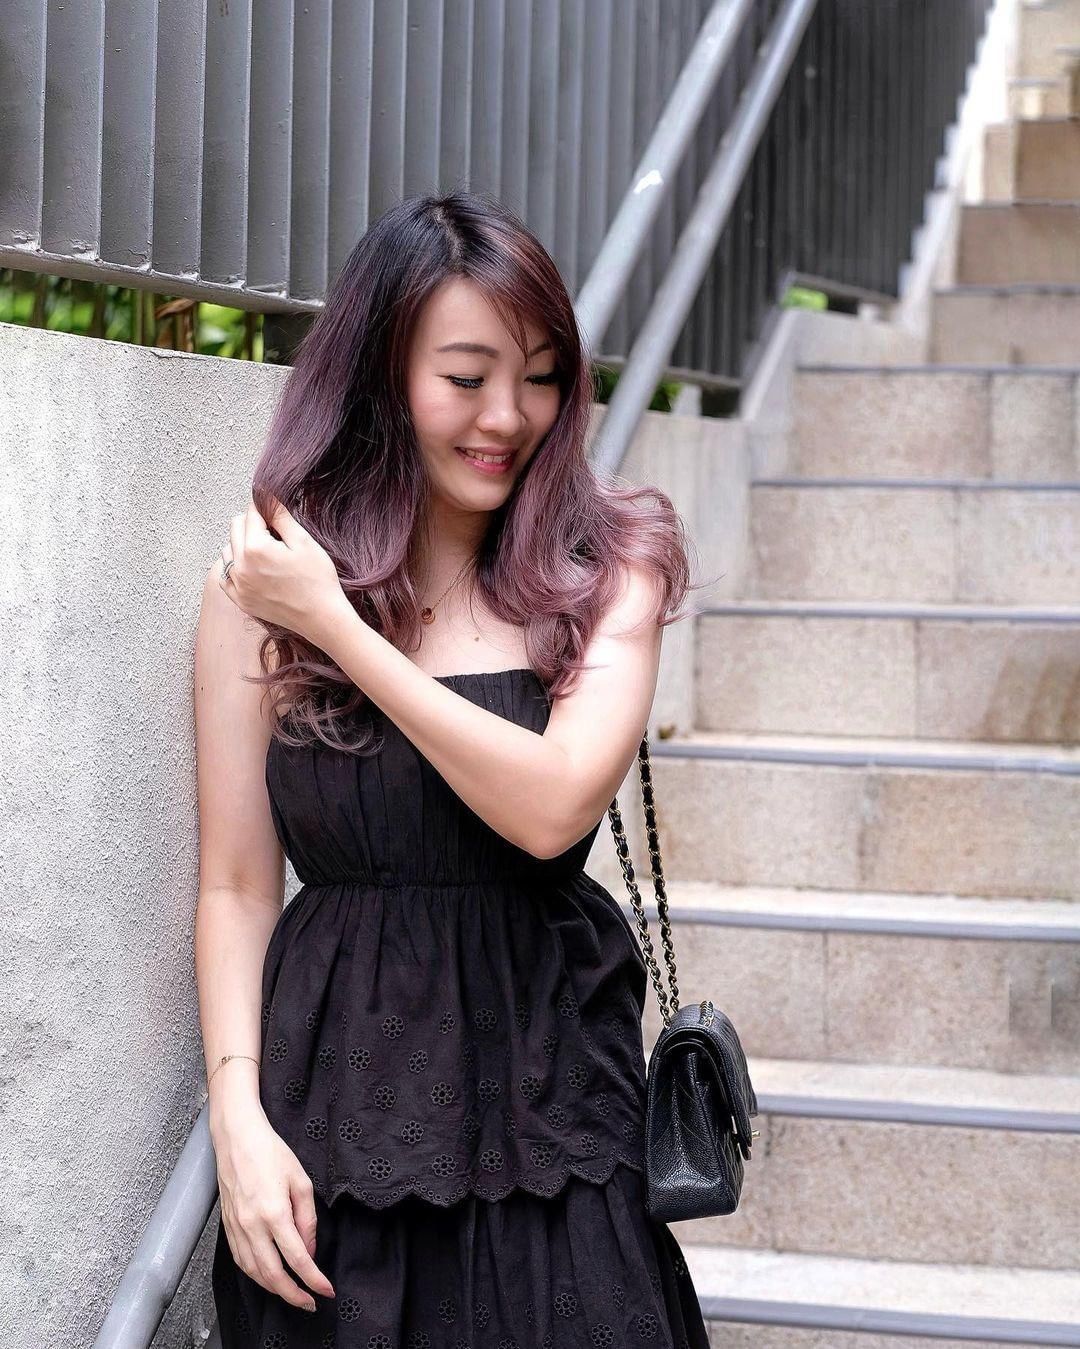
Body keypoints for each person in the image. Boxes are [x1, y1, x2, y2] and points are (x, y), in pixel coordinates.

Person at [195, 189, 710, 1347]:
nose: (509, 415)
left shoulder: (606, 571)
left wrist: (340, 629)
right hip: (338, 1106)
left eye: (541, 377)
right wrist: (235, 1111)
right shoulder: (259, 597)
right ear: (381, 373)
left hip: (555, 1097)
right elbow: (234, 883)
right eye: (467, 377)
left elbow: (552, 806)